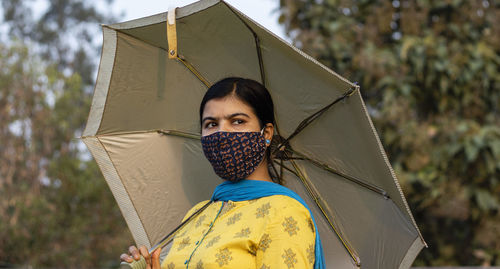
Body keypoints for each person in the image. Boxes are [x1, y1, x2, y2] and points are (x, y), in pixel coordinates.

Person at [120, 77, 325, 269]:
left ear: (267, 134)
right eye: (211, 124)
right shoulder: (197, 214)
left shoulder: (284, 211)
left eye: (237, 121)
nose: (221, 133)